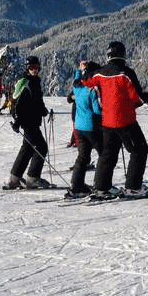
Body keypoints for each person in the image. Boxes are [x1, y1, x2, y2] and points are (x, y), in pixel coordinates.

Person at [81, 41, 148, 197]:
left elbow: (86, 81)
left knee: (108, 154)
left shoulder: (100, 73)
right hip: (125, 120)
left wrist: (88, 68)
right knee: (139, 150)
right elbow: (137, 97)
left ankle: (101, 187)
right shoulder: (126, 72)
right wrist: (145, 98)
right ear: (123, 55)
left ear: (108, 55)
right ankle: (133, 187)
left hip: (107, 121)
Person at [5, 55, 52, 189]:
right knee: (41, 147)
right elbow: (20, 105)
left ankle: (14, 178)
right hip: (28, 121)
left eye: (36, 67)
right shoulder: (25, 82)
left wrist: (43, 109)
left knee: (27, 148)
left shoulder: (35, 81)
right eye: (31, 68)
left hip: (32, 120)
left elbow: (36, 101)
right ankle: (33, 178)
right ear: (27, 69)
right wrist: (18, 122)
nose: (34, 70)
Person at [66, 61, 103, 198]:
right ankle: (102, 185)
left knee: (83, 156)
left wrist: (79, 69)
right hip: (92, 127)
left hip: (79, 127)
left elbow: (76, 79)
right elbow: (97, 109)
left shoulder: (77, 86)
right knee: (104, 154)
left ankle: (76, 186)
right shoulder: (91, 89)